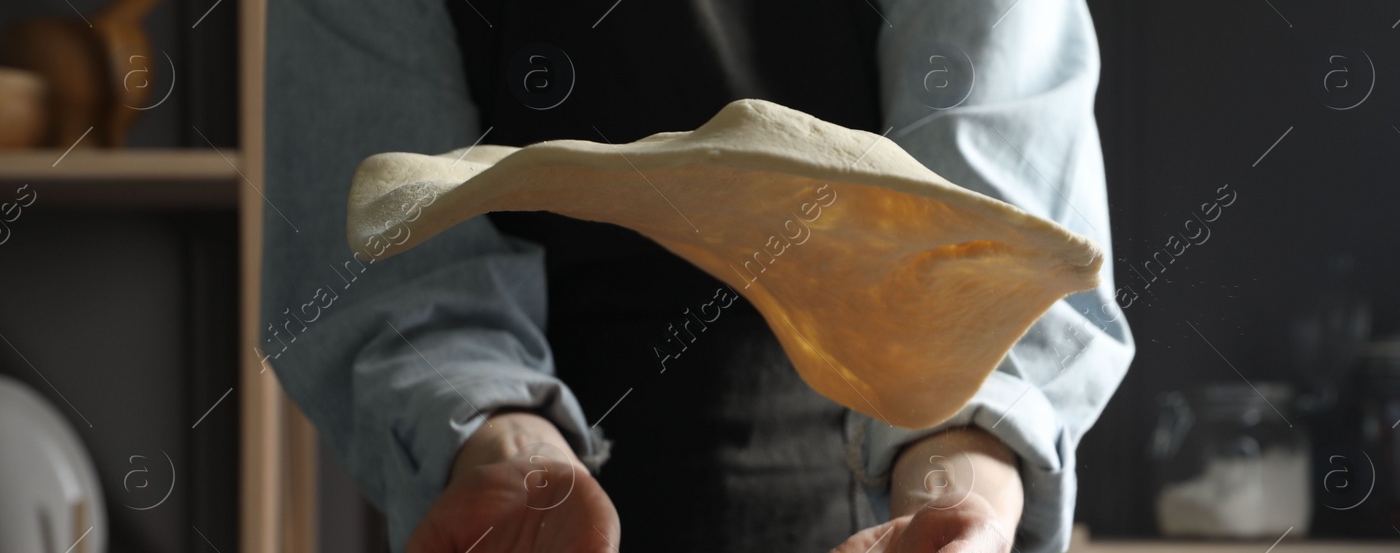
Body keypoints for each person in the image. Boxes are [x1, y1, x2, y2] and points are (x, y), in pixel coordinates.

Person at [263, 0, 1134, 552]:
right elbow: (394, 269)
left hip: (862, 509)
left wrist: (961, 494)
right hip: (527, 518)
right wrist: (506, 449)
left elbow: (983, 258)